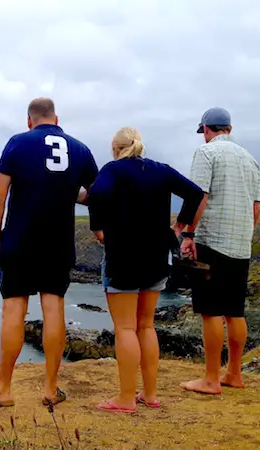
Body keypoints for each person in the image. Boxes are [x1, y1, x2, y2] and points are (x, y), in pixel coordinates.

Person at [0, 97, 99, 408]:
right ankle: (51, 389)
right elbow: (95, 194)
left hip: (19, 240)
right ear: (57, 119)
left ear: (29, 121)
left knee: (14, 311)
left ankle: (2, 390)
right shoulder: (80, 149)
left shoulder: (17, 143)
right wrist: (71, 193)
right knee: (54, 308)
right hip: (58, 243)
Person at [85, 126, 204, 413]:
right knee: (146, 326)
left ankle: (125, 399)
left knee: (125, 327)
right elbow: (195, 193)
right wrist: (178, 227)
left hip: (123, 256)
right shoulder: (160, 169)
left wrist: (98, 228)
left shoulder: (113, 170)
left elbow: (96, 195)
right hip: (156, 255)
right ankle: (149, 395)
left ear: (116, 148)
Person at [179, 107, 260, 395]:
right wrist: (246, 235)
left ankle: (211, 379)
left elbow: (199, 196)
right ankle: (234, 374)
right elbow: (256, 207)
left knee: (211, 311)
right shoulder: (250, 159)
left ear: (205, 129)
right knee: (234, 311)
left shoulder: (206, 154)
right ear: (229, 127)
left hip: (212, 240)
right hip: (241, 243)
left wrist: (188, 233)